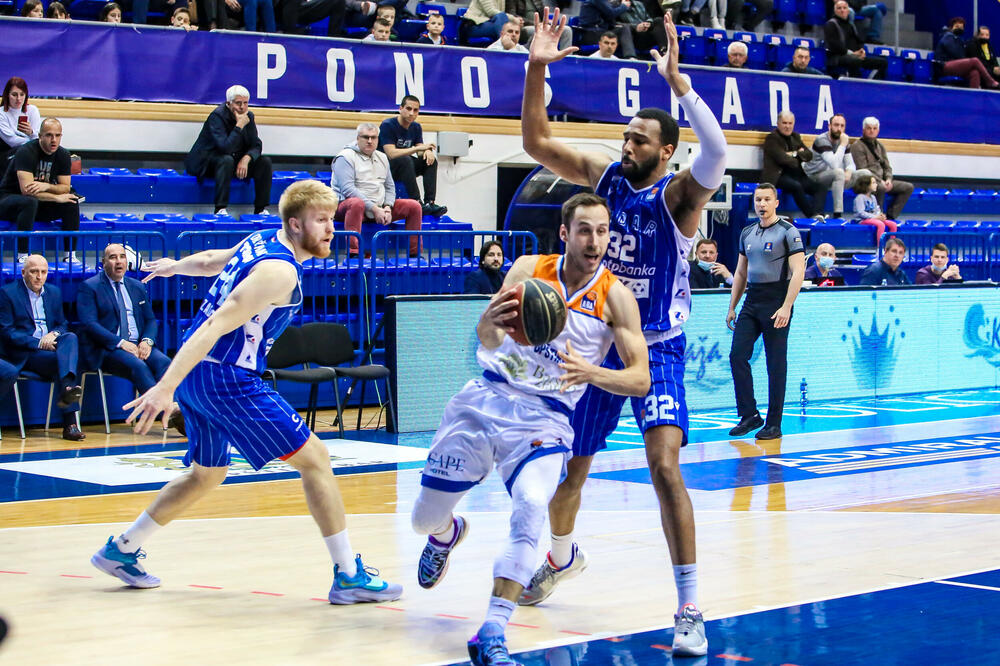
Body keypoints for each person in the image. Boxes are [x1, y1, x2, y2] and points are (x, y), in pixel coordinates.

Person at [520, 10, 727, 657]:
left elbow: (717, 152)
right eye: (626, 136)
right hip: (599, 343)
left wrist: (682, 86)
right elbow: (534, 141)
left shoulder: (678, 199)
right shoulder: (606, 178)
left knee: (664, 468)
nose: (627, 145)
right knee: (567, 473)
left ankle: (689, 607)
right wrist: (535, 68)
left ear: (665, 152)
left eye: (639, 140)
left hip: (658, 349)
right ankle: (560, 557)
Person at [89, 180, 403, 604]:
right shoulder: (281, 270)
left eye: (332, 219)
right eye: (322, 221)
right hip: (228, 378)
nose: (332, 229)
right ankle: (348, 575)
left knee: (208, 473)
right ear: (295, 224)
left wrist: (174, 266)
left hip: (206, 375)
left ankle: (121, 550)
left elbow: (213, 261)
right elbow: (215, 325)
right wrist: (165, 387)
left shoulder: (261, 240)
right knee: (316, 459)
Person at [412, 193, 650, 666]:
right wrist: (485, 323)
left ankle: (493, 630)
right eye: (585, 230)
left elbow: (639, 379)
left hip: (546, 418)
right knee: (422, 518)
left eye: (603, 231)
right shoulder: (526, 269)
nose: (595, 241)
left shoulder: (616, 298)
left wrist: (593, 373)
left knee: (531, 506)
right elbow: (489, 337)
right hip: (486, 398)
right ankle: (446, 534)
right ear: (565, 234)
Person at [76, 244, 184, 434]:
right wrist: (120, 343)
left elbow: (150, 319)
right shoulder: (90, 287)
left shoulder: (137, 286)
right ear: (103, 263)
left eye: (122, 257)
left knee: (164, 363)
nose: (118, 261)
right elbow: (89, 324)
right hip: (108, 349)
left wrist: (147, 341)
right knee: (138, 366)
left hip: (139, 345)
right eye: (113, 257)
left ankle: (179, 411)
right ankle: (170, 414)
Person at [727, 183, 805, 441]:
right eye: (758, 199)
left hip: (777, 299)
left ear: (776, 202)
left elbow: (799, 272)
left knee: (775, 364)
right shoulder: (747, 232)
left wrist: (787, 306)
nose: (761, 204)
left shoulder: (788, 231)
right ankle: (749, 414)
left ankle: (774, 423)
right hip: (753, 299)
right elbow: (740, 272)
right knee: (737, 355)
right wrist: (732, 306)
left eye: (766, 199)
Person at [0, 255, 84, 441]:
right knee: (67, 363)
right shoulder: (8, 293)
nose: (39, 277)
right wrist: (38, 342)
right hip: (25, 352)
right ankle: (70, 422)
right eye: (34, 272)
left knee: (70, 337)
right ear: (23, 273)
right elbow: (7, 332)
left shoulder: (53, 292)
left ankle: (68, 391)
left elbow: (62, 323)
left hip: (51, 348)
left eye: (43, 272)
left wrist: (53, 335)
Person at [332, 122, 423, 258]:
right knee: (356, 203)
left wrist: (387, 206)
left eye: (373, 138)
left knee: (414, 206)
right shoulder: (344, 157)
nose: (370, 141)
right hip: (347, 207)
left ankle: (415, 255)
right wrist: (375, 209)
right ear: (358, 138)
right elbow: (347, 189)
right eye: (365, 137)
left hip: (378, 207)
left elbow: (390, 187)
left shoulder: (382, 157)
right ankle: (353, 253)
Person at [0, 118, 81, 263]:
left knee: (71, 200)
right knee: (29, 202)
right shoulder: (26, 152)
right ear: (40, 136)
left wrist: (47, 186)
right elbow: (27, 191)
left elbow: (65, 187)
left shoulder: (63, 154)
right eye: (49, 135)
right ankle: (22, 255)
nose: (53, 140)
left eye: (57, 135)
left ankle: (70, 255)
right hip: (9, 199)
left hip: (37, 204)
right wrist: (56, 198)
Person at [184, 85, 272, 218]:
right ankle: (220, 208)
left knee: (265, 162)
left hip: (234, 160)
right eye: (238, 103)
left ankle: (260, 209)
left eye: (245, 103)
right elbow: (225, 147)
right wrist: (239, 126)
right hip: (208, 162)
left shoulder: (249, 116)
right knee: (226, 160)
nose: (242, 107)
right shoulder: (217, 116)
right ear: (228, 103)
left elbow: (257, 145)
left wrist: (247, 158)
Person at [379, 96, 447, 217]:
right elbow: (391, 153)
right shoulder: (387, 125)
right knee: (406, 159)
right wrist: (417, 148)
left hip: (405, 167)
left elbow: (420, 150)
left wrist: (427, 151)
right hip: (386, 168)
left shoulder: (416, 127)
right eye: (408, 108)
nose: (412, 113)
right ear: (400, 108)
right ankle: (417, 201)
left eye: (415, 110)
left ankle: (430, 202)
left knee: (430, 161)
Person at [803, 113, 871, 217]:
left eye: (842, 126)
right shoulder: (822, 140)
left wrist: (849, 172)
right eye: (836, 125)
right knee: (839, 172)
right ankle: (838, 213)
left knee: (865, 174)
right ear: (829, 126)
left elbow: (851, 164)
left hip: (834, 179)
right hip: (814, 177)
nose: (839, 128)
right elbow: (834, 163)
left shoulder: (843, 141)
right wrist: (843, 144)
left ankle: (867, 211)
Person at [849, 116, 913, 220]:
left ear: (878, 130)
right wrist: (879, 181)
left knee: (908, 187)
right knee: (880, 187)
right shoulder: (857, 146)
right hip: (866, 181)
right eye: (869, 128)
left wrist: (888, 179)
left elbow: (887, 167)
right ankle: (878, 216)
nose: (871, 131)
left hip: (882, 180)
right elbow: (863, 169)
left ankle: (891, 216)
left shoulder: (880, 146)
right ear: (864, 130)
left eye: (874, 128)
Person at [761, 111, 823, 218]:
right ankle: (811, 215)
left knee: (820, 187)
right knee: (796, 186)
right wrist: (798, 154)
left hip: (797, 175)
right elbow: (783, 159)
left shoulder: (795, 137)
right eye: (784, 123)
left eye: (790, 123)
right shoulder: (772, 139)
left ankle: (818, 215)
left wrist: (794, 153)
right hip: (778, 177)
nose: (787, 126)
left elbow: (809, 155)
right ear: (778, 123)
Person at [824, 0, 887, 79]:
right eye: (839, 8)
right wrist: (851, 53)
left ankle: (875, 85)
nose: (842, 10)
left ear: (847, 10)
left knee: (883, 63)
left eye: (844, 8)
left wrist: (861, 50)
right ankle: (856, 84)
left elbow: (858, 41)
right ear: (835, 11)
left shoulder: (850, 26)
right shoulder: (831, 24)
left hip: (854, 55)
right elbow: (834, 45)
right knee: (854, 60)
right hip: (838, 57)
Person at [935, 17, 999, 90]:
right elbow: (957, 54)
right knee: (974, 60)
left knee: (975, 72)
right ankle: (990, 81)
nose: (959, 29)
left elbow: (961, 56)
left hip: (955, 66)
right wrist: (967, 62)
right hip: (944, 65)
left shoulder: (959, 40)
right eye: (957, 26)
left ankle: (973, 96)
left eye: (961, 27)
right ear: (951, 27)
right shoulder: (947, 37)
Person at [1, 77, 41, 166]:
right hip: (8, 153)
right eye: (14, 95)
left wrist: (31, 132)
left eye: (22, 94)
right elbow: (12, 141)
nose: (18, 99)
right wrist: (34, 143)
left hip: (32, 148)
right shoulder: (1, 113)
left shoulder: (33, 110)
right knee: (24, 153)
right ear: (7, 95)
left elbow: (39, 136)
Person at [852, 173, 896, 243]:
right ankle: (880, 248)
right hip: (862, 220)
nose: (876, 184)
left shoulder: (873, 197)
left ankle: (890, 246)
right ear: (866, 185)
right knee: (880, 224)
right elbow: (861, 213)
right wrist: (876, 217)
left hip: (873, 218)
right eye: (873, 183)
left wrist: (880, 216)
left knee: (893, 224)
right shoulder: (859, 197)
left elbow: (876, 209)